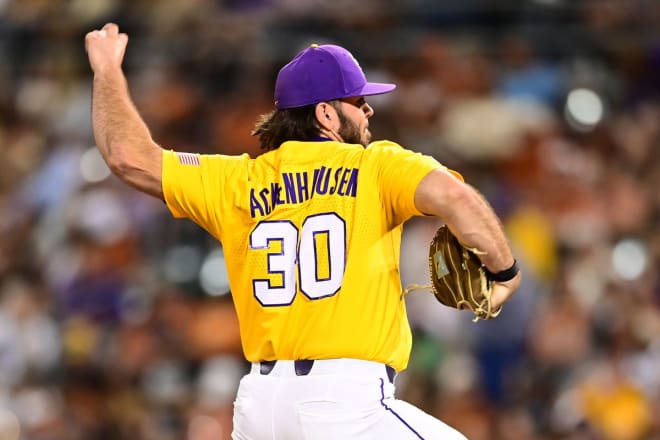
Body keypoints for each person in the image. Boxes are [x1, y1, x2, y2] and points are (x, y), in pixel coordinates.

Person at [85, 23, 521, 440]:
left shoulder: (236, 181)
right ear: (326, 114)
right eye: (358, 101)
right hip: (345, 402)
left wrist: (106, 70)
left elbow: (126, 156)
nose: (368, 109)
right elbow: (457, 199)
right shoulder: (376, 166)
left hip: (260, 407)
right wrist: (505, 274)